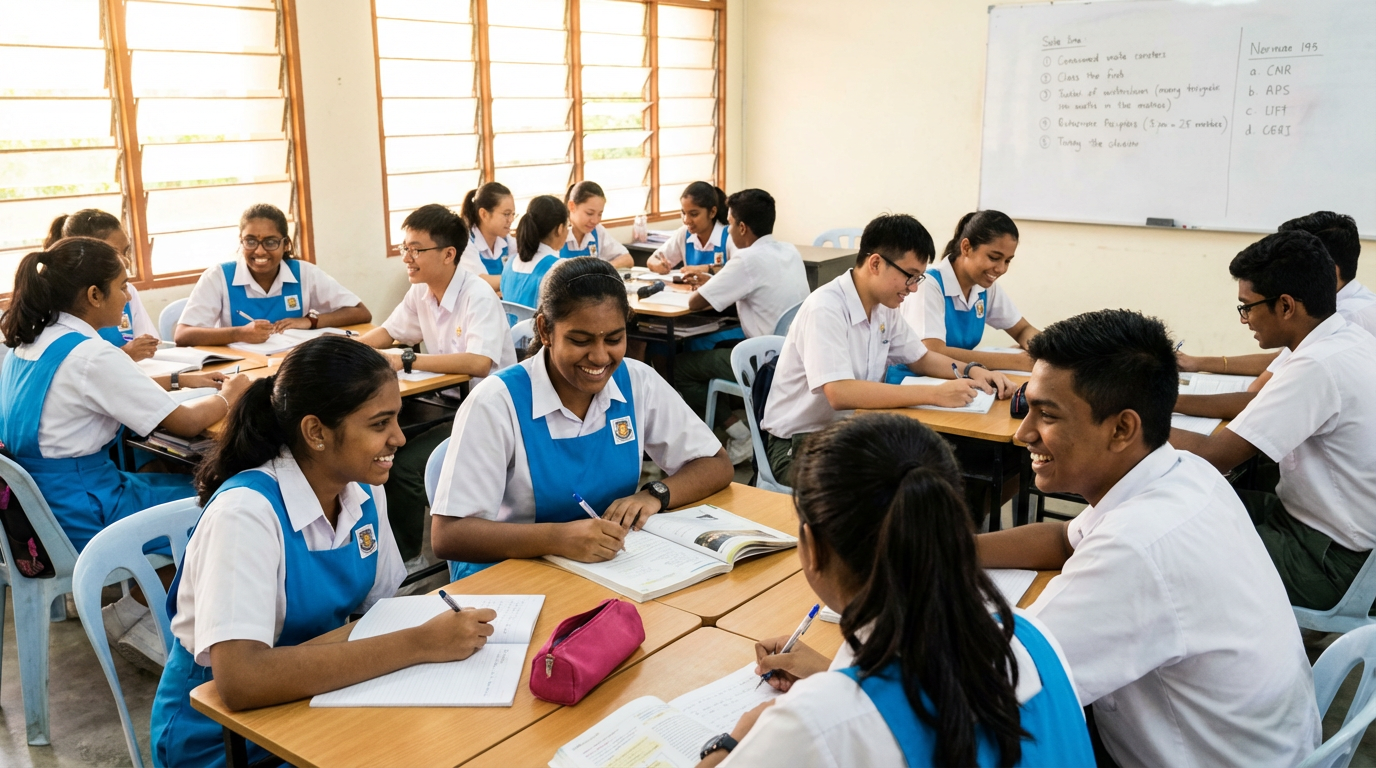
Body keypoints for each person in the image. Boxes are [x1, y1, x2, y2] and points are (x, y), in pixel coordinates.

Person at [978, 308, 1320, 767]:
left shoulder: (1137, 547)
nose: (1023, 434)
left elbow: (995, 677)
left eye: (1047, 415)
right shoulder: (1186, 471)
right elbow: (1065, 539)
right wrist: (947, 549)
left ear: (1122, 428)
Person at [150, 337, 495, 767]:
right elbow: (242, 681)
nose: (399, 439)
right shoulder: (246, 515)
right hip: (225, 740)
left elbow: (378, 612)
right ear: (315, 432)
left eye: (397, 420)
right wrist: (419, 643)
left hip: (316, 699)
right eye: (379, 424)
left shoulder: (364, 490)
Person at [703, 413, 1094, 768]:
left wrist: (731, 743)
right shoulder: (1031, 635)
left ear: (813, 546)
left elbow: (858, 725)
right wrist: (835, 678)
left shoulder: (812, 725)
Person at [0, 237, 251, 669]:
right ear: (93, 295)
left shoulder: (33, 342)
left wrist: (178, 383)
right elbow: (188, 424)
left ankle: (139, 610)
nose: (127, 296)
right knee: (226, 504)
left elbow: (98, 389)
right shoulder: (91, 353)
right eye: (121, 286)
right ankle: (135, 617)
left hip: (36, 509)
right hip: (80, 513)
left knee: (159, 467)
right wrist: (232, 394)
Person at [430, 257, 734, 580]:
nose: (601, 357)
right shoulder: (496, 404)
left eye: (614, 339)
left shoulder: (637, 383)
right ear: (545, 329)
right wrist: (558, 538)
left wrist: (656, 494)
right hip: (512, 578)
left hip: (606, 572)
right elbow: (449, 535)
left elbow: (716, 464)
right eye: (580, 341)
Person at [1170, 231, 1376, 614]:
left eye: (1246, 307)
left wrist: (1124, 414)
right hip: (1326, 534)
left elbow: (1215, 455)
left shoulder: (1317, 366)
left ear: (1285, 306)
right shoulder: (1343, 340)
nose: (1245, 319)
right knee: (1184, 504)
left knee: (1170, 542)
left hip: (1331, 562)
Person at [759, 213, 1013, 485]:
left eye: (919, 278)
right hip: (799, 445)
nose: (914, 288)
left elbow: (922, 358)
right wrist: (934, 394)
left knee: (933, 469)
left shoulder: (884, 307)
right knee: (892, 489)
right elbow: (839, 392)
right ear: (876, 263)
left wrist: (973, 371)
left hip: (850, 433)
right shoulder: (826, 307)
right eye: (910, 276)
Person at [359, 204, 516, 565]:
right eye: (404, 248)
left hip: (488, 413)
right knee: (373, 446)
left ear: (448, 254)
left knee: (401, 464)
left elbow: (479, 363)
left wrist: (407, 359)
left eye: (417, 249)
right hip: (446, 404)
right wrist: (340, 348)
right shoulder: (422, 292)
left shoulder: (476, 294)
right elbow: (389, 332)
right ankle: (395, 552)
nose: (407, 259)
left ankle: (408, 562)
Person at [1176, 211, 1375, 419]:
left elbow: (1257, 394)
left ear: (1327, 268)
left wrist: (1161, 404)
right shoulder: (1357, 303)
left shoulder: (1344, 319)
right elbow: (1281, 359)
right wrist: (1197, 363)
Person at [674, 189, 810, 464]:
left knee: (678, 368)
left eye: (732, 224)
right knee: (716, 347)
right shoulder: (789, 250)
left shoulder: (747, 260)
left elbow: (696, 302)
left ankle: (739, 433)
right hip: (794, 354)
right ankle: (735, 429)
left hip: (765, 363)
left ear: (742, 227)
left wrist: (710, 282)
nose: (730, 230)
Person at [174, 203, 371, 347]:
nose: (259, 251)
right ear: (241, 241)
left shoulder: (304, 272)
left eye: (270, 242)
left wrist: (310, 321)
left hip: (292, 365)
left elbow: (361, 313)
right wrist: (240, 333)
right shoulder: (218, 276)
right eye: (250, 241)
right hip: (242, 369)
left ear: (285, 244)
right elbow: (183, 335)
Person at [888, 210, 1039, 383]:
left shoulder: (984, 287)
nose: (1001, 269)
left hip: (956, 381)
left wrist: (1045, 353)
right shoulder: (928, 284)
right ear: (966, 247)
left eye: (1007, 261)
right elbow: (932, 351)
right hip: (912, 382)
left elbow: (1022, 329)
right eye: (994, 257)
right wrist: (1018, 361)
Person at [44, 209, 159, 361]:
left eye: (125, 252)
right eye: (113, 253)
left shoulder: (127, 291)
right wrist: (124, 354)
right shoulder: (66, 302)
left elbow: (147, 350)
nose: (125, 261)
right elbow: (82, 364)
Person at [646, 181, 736, 275]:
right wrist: (658, 265)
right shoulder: (684, 234)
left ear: (712, 212)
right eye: (684, 213)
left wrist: (705, 269)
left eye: (693, 214)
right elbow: (652, 259)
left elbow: (738, 271)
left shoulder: (730, 236)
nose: (686, 220)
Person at [499, 195, 568, 311]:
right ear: (560, 229)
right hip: (539, 329)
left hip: (509, 329)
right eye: (568, 225)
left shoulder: (509, 264)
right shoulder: (559, 268)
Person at [457, 182, 518, 292]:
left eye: (513, 214)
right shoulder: (466, 243)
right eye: (506, 214)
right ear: (484, 214)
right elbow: (480, 282)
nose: (511, 220)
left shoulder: (508, 241)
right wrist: (519, 279)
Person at [562, 180, 633, 269]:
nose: (595, 221)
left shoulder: (597, 231)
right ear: (572, 206)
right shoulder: (558, 233)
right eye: (589, 213)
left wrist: (601, 270)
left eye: (600, 214)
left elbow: (627, 259)